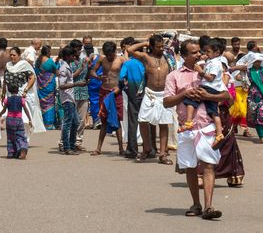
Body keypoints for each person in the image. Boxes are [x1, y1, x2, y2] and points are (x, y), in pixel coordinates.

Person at [163, 39, 228, 220]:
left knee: (208, 165)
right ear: (184, 56)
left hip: (206, 125)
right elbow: (166, 101)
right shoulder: (174, 76)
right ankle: (196, 204)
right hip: (187, 127)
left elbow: (226, 95)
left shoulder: (211, 69)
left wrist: (207, 95)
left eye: (200, 51)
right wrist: (184, 93)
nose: (199, 55)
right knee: (190, 167)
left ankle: (208, 206)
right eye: (194, 53)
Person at [129, 35, 174, 164]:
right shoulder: (146, 57)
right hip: (150, 94)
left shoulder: (168, 57)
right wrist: (145, 42)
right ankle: (146, 148)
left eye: (162, 46)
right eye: (158, 46)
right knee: (142, 120)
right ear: (151, 46)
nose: (161, 48)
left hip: (164, 94)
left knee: (164, 124)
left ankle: (163, 154)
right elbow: (130, 50)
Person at [91, 40, 125, 156]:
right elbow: (92, 71)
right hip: (104, 91)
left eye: (111, 54)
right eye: (108, 55)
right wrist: (98, 77)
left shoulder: (121, 60)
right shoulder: (101, 59)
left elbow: (126, 77)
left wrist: (119, 88)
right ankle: (98, 148)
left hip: (116, 92)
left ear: (115, 51)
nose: (110, 57)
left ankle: (121, 148)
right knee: (104, 120)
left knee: (117, 120)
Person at [6, 47, 46, 134]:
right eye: (11, 55)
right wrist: (2, 93)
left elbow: (32, 78)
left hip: (24, 94)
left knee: (25, 119)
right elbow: (6, 80)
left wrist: (26, 89)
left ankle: (25, 138)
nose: (12, 57)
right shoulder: (8, 66)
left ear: (19, 56)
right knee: (14, 117)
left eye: (14, 55)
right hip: (12, 94)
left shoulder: (24, 65)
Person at [0, 69, 31, 159]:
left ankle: (11, 153)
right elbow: (26, 110)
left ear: (9, 90)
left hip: (9, 120)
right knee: (20, 135)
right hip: (18, 120)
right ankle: (22, 149)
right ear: (17, 90)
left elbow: (4, 110)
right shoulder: (21, 99)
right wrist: (30, 119)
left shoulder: (7, 100)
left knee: (10, 137)